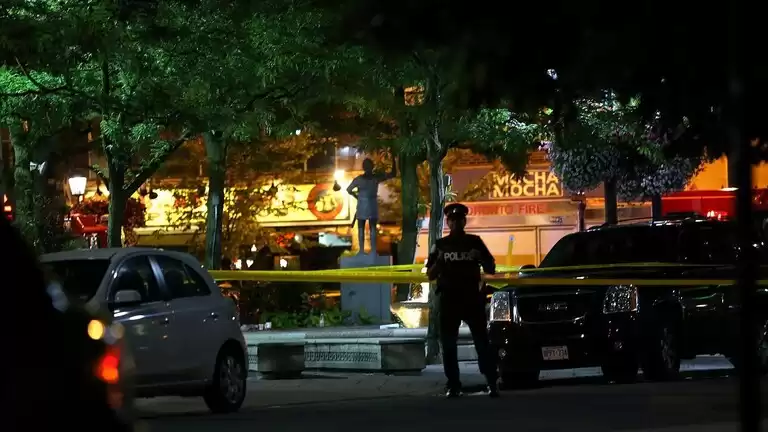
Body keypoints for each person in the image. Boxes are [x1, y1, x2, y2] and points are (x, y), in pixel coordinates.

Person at [426, 203, 499, 398]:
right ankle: (453, 385)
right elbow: (430, 274)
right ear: (448, 222)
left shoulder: (475, 242)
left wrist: (480, 258)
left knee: (482, 343)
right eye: (452, 220)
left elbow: (491, 268)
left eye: (459, 220)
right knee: (449, 345)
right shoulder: (440, 245)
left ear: (464, 221)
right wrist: (440, 261)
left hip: (471, 299)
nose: (456, 223)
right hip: (449, 299)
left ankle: (491, 382)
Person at [346, 158, 396, 255]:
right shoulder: (376, 178)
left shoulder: (359, 179)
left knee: (361, 227)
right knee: (372, 228)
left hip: (362, 204)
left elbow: (348, 190)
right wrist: (393, 159)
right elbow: (392, 174)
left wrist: (357, 196)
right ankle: (372, 251)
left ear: (363, 167)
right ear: (372, 167)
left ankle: (361, 251)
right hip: (372, 204)